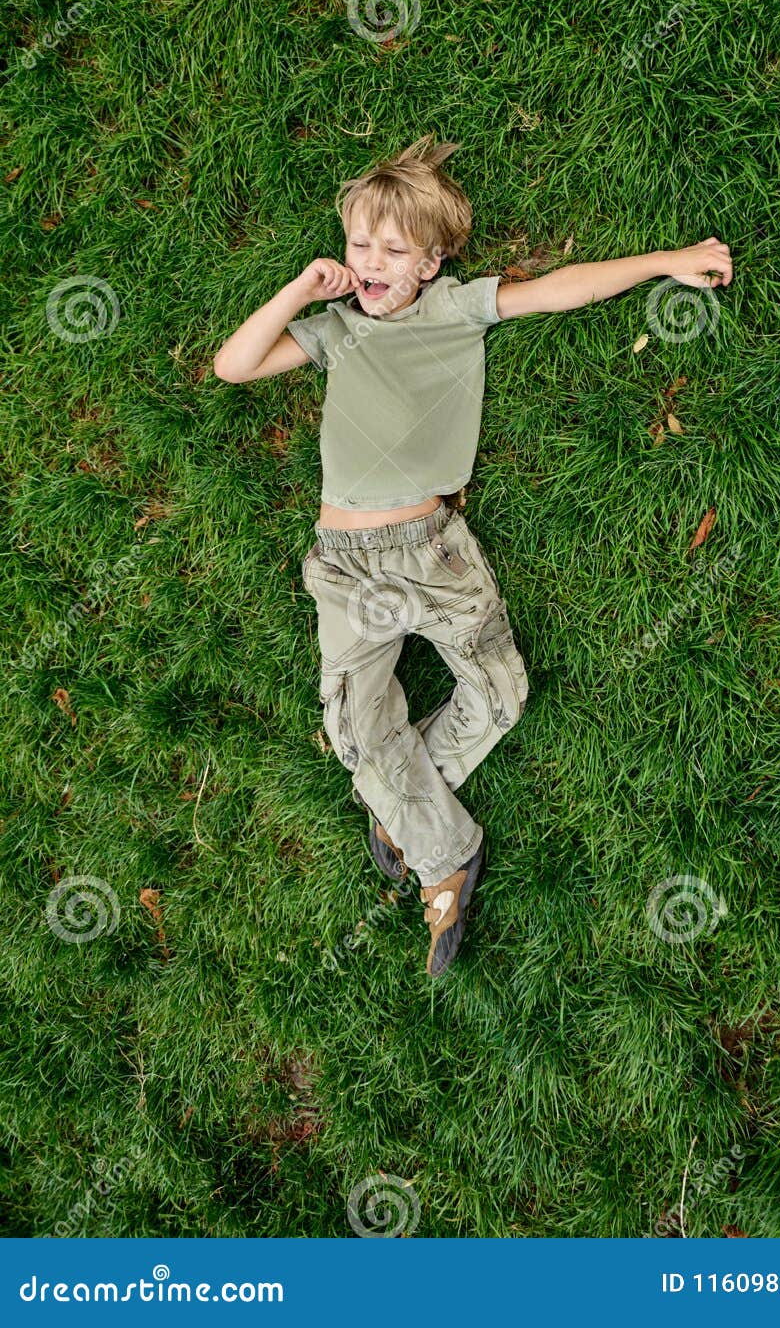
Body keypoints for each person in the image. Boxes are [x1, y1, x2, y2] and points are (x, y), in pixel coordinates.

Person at [212, 136, 733, 976]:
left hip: (431, 551)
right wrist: (302, 289)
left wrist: (666, 260)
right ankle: (443, 855)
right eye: (357, 245)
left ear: (432, 262)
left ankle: (403, 807)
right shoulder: (337, 326)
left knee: (500, 695)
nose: (370, 262)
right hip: (344, 564)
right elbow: (233, 366)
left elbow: (562, 290)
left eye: (392, 249)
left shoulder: (454, 308)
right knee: (354, 730)